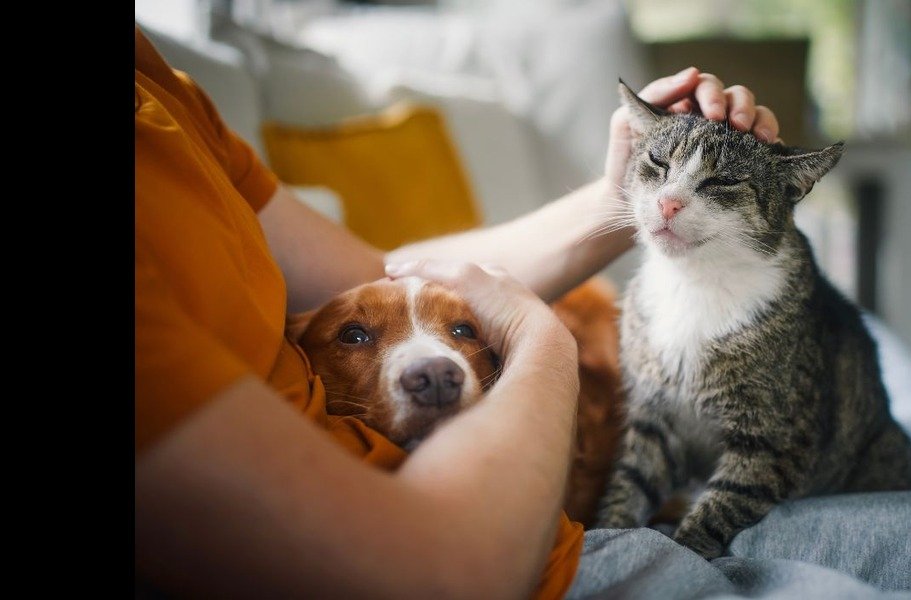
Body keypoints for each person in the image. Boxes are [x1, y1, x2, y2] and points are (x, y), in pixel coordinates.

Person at [134, 23, 779, 598]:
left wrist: (620, 201)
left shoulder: (162, 87)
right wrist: (539, 337)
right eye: (356, 336)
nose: (432, 369)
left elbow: (379, 281)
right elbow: (438, 574)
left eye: (466, 333)